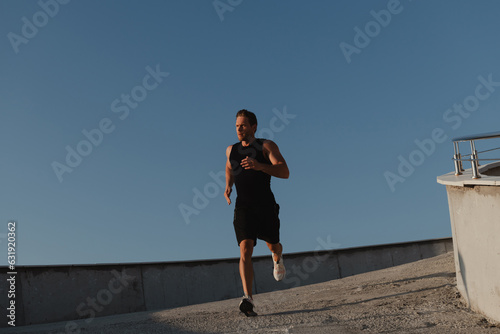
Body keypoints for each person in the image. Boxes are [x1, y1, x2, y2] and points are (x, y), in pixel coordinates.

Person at [224, 109, 290, 317]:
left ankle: (277, 256)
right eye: (236, 126)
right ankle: (247, 298)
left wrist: (260, 166)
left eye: (243, 125)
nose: (239, 129)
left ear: (254, 127)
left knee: (272, 244)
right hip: (243, 206)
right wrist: (228, 186)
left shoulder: (266, 146)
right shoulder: (231, 150)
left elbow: (284, 171)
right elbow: (229, 167)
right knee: (245, 248)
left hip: (265, 206)